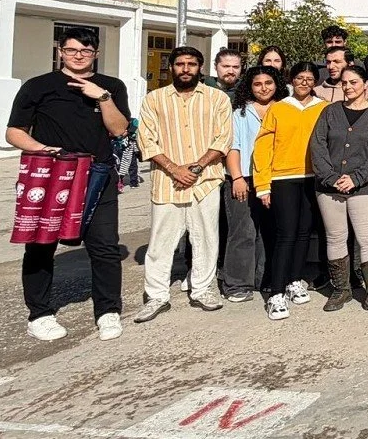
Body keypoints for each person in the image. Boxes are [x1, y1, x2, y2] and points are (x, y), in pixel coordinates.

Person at [7, 28, 130, 342]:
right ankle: (39, 314)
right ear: (60, 50)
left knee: (104, 247)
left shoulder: (112, 86)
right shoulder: (38, 86)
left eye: (86, 51)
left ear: (96, 54)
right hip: (50, 175)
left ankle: (107, 311)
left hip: (97, 175)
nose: (79, 55)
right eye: (72, 49)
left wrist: (101, 97)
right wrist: (43, 149)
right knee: (40, 245)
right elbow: (14, 132)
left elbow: (119, 130)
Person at [133, 46, 234, 323]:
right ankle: (156, 295)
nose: (186, 69)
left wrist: (198, 166)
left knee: (206, 237)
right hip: (167, 182)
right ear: (171, 67)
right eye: (180, 64)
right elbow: (146, 140)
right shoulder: (154, 99)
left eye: (191, 64)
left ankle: (202, 288)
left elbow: (223, 138)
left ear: (200, 68)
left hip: (206, 180)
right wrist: (175, 168)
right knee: (161, 241)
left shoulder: (217, 99)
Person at [311, 65, 368, 313]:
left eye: (353, 82)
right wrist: (331, 177)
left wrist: (356, 178)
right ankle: (341, 290)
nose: (348, 87)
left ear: (366, 84)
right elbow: (317, 145)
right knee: (336, 237)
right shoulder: (330, 112)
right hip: (328, 187)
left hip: (362, 187)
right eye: (344, 83)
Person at [252, 62, 326, 320]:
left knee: (305, 232)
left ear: (315, 81)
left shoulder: (324, 108)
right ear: (291, 80)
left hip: (313, 177)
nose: (303, 82)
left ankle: (295, 280)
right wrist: (262, 184)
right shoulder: (279, 108)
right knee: (286, 234)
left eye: (309, 78)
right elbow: (263, 147)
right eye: (299, 78)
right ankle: (276, 293)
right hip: (283, 178)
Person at [223, 66, 287, 304]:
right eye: (258, 84)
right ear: (250, 86)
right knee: (243, 231)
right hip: (246, 178)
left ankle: (266, 279)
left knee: (271, 232)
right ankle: (237, 283)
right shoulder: (240, 112)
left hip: (276, 178)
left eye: (268, 83)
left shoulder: (284, 109)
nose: (264, 88)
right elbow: (234, 146)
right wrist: (237, 177)